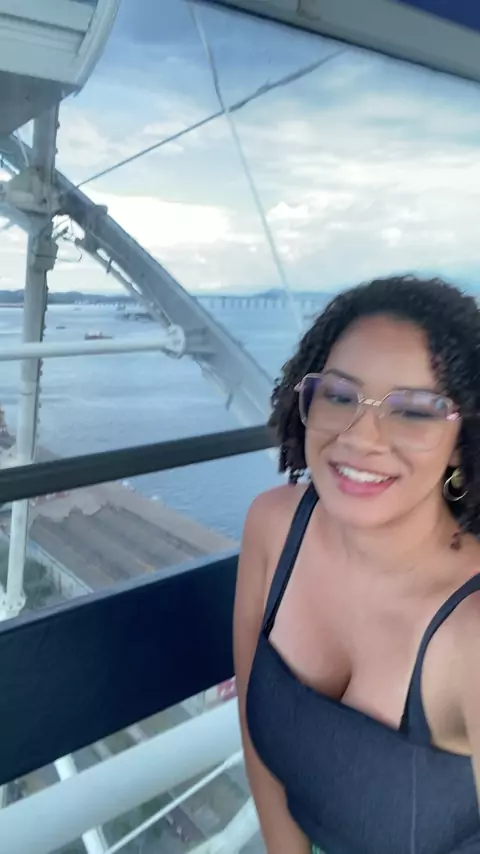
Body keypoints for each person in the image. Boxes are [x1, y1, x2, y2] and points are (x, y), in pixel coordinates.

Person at [234, 276, 480, 854]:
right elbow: (254, 733)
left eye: (414, 411)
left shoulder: (470, 635)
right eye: (341, 397)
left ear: (462, 439)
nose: (361, 437)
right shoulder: (274, 527)